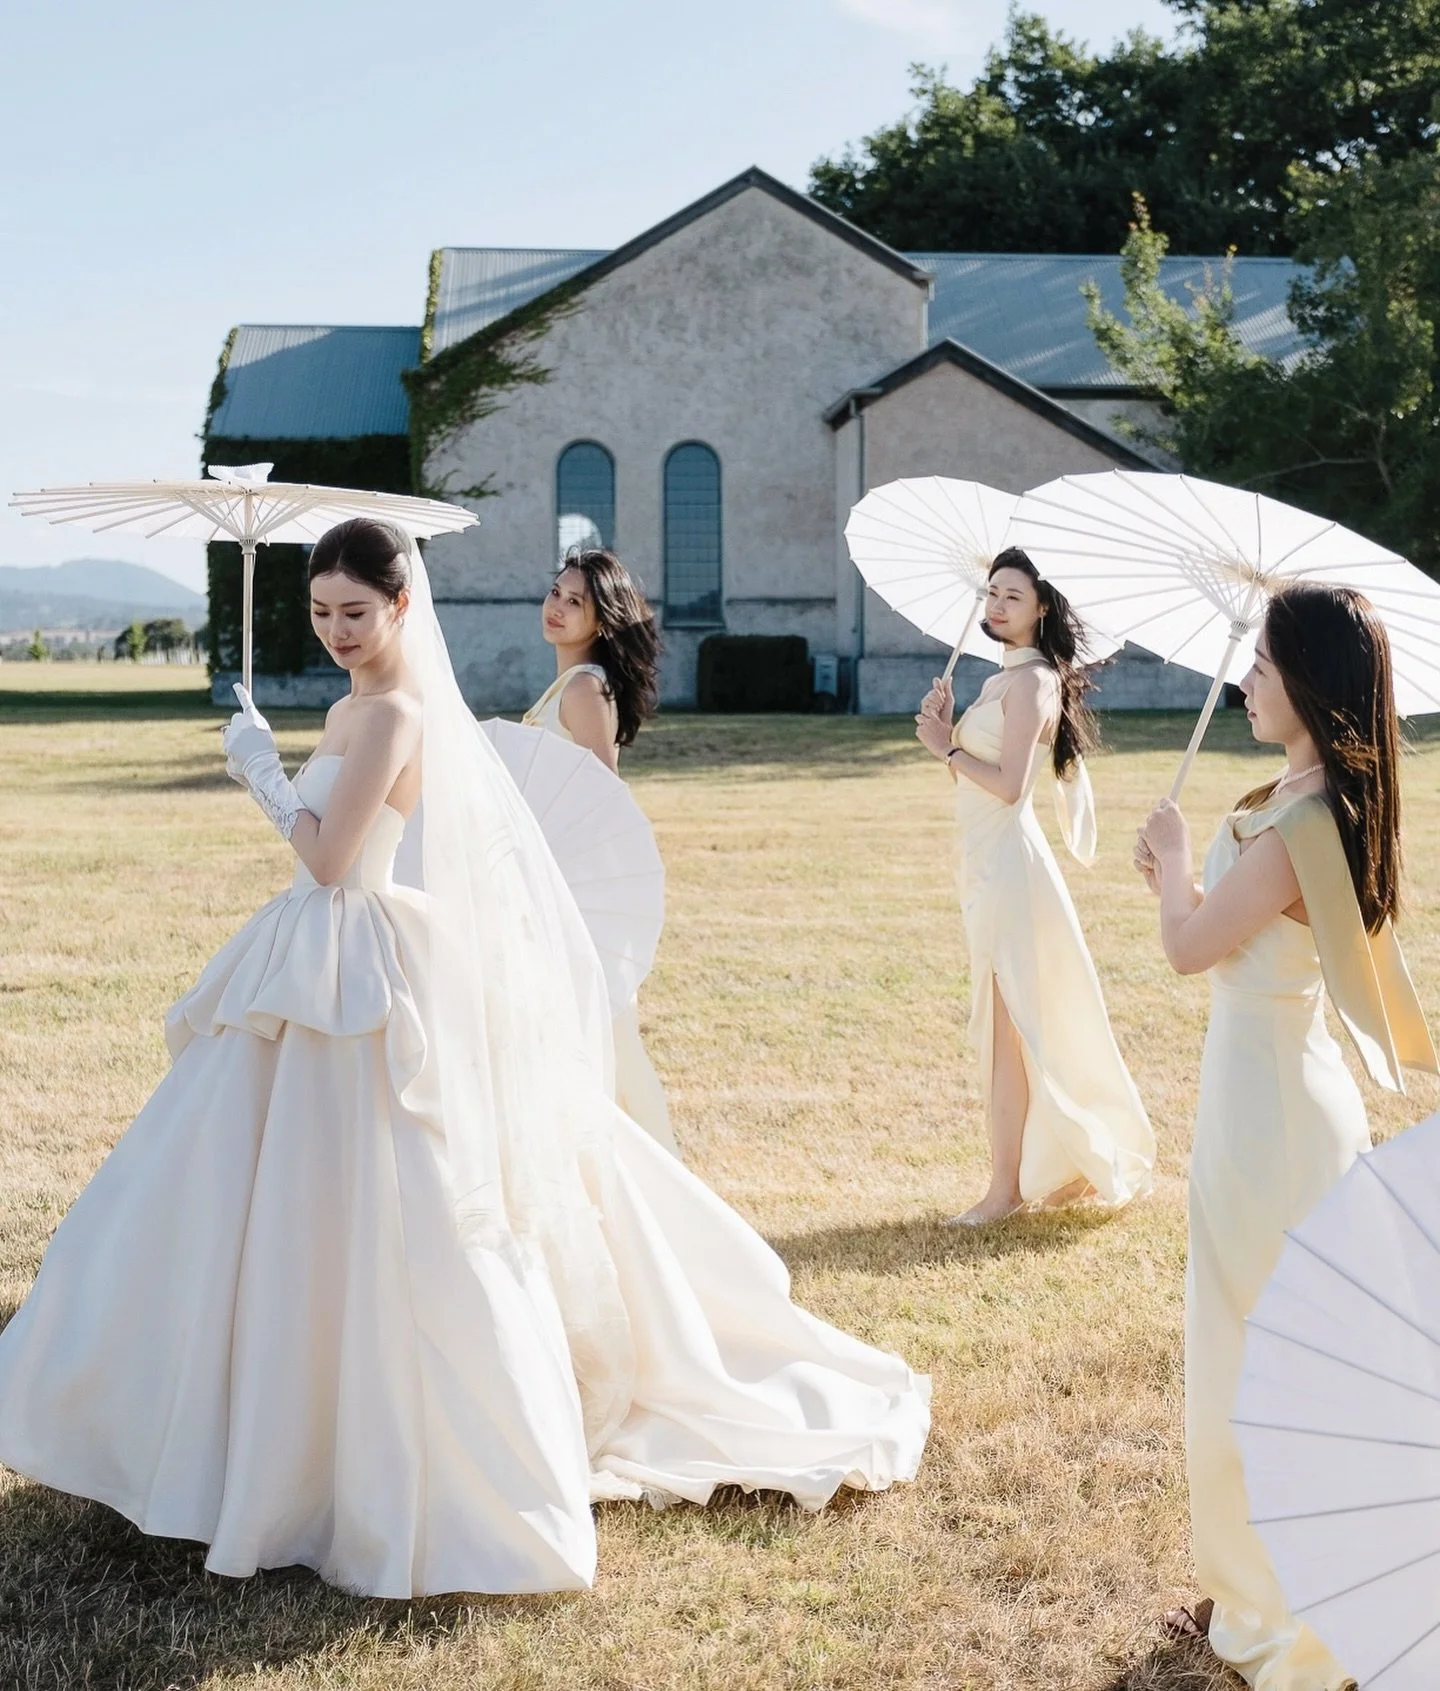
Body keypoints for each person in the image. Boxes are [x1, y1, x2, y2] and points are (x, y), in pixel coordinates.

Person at [0, 518, 930, 1599]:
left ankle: (378, 1452)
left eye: (357, 611)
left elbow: (332, 856)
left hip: (356, 955)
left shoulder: (398, 712)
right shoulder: (349, 707)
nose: (338, 631)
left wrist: (259, 769)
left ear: (402, 605)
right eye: (321, 613)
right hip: (307, 956)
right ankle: (233, 1430)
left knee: (388, 1197)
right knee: (249, 1191)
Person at [1135, 583, 1436, 1689]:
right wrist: (1184, 876)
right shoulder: (1302, 802)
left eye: (1261, 666)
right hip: (1272, 1095)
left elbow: (1187, 948)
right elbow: (1217, 928)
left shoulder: (1304, 821)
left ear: (1307, 682)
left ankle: (1284, 1599)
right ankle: (1263, 1577)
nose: (1246, 681)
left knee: (1256, 1354)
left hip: (1270, 1114)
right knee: (1270, 1345)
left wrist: (1175, 865)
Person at [915, 547, 1154, 1226]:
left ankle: (1004, 1190)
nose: (995, 605)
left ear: (1042, 607)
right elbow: (980, 776)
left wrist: (945, 745)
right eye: (991, 592)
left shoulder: (1034, 683)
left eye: (1012, 596)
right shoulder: (1001, 680)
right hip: (983, 863)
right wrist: (950, 723)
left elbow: (1011, 786)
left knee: (1007, 1028)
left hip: (1010, 869)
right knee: (1009, 1026)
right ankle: (1034, 1171)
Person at [524, 547, 678, 1157]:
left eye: (575, 602)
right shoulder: (571, 684)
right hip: (545, 882)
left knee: (590, 1039)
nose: (557, 608)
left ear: (601, 619)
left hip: (569, 893)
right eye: (556, 593)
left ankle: (618, 1168)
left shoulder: (586, 689)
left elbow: (599, 803)